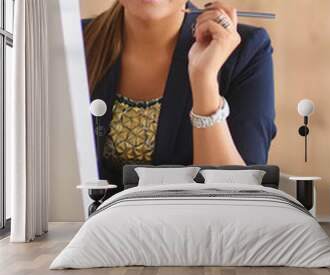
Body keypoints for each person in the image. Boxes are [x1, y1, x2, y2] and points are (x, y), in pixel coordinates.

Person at [82, 0, 276, 192]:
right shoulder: (71, 40)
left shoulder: (247, 49)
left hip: (195, 222)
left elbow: (239, 197)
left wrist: (204, 79)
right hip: (91, 221)